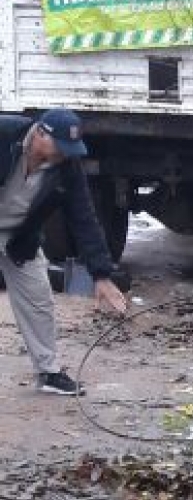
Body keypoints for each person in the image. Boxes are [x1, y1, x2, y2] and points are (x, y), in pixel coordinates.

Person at [0, 107, 127, 394]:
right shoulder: (4, 133)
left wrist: (101, 274)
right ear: (40, 134)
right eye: (61, 146)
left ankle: (49, 373)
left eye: (72, 148)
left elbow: (84, 217)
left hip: (19, 235)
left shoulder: (66, 166)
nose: (66, 154)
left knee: (39, 301)